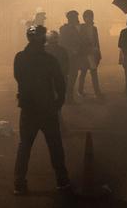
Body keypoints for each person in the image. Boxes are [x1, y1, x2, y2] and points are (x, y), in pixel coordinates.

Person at [13, 25, 70, 195]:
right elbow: (60, 82)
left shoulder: (20, 58)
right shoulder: (49, 60)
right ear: (42, 38)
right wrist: (58, 102)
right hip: (46, 108)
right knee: (55, 145)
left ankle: (19, 183)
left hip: (28, 108)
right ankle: (62, 180)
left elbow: (18, 77)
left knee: (25, 146)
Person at [78, 10, 103, 99]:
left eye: (90, 16)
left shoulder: (93, 28)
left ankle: (95, 92)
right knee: (86, 72)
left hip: (92, 53)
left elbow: (97, 41)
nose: (89, 18)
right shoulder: (82, 27)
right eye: (87, 16)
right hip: (85, 53)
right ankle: (86, 91)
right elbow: (81, 41)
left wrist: (98, 52)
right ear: (84, 18)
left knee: (91, 72)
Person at [59, 11, 81, 104]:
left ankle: (68, 96)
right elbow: (63, 42)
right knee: (70, 77)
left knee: (70, 76)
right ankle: (69, 97)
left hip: (71, 55)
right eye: (76, 17)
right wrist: (72, 50)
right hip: (69, 56)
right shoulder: (66, 29)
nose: (77, 19)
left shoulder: (68, 28)